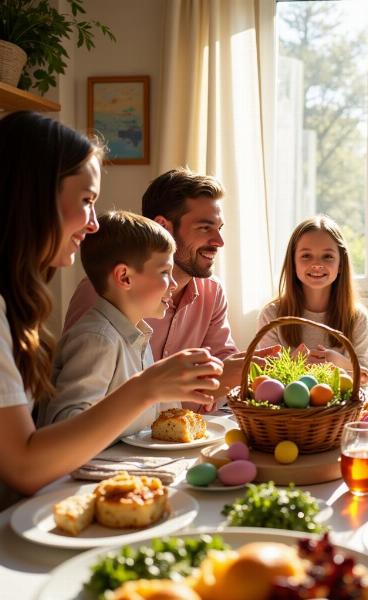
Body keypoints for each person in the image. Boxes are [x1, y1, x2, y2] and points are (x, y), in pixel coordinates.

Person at [0, 111, 222, 510]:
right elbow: (25, 467)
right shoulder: (95, 325)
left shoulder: (16, 307)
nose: (92, 225)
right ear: (34, 195)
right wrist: (147, 386)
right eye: (86, 201)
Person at [62, 169, 278, 400]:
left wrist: (241, 373)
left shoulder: (212, 292)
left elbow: (223, 368)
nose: (219, 242)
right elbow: (83, 396)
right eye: (205, 228)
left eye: (219, 228)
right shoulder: (102, 292)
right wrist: (213, 382)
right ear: (164, 226)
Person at [39, 211, 185, 434]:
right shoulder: (97, 338)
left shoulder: (138, 336)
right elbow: (66, 425)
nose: (174, 283)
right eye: (165, 272)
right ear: (124, 277)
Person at [258, 215, 368, 383]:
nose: (317, 264)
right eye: (306, 256)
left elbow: (364, 379)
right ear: (293, 262)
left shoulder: (357, 318)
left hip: (340, 409)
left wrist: (339, 362)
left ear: (341, 264)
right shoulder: (271, 316)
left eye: (327, 256)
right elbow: (265, 380)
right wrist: (294, 363)